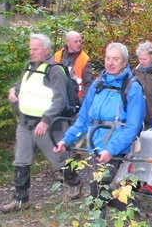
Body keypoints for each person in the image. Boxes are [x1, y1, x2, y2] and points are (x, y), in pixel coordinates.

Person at [53, 43, 145, 213]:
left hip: (117, 145)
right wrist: (67, 139)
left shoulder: (132, 88)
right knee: (97, 189)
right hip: (94, 144)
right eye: (107, 58)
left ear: (124, 62)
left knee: (97, 189)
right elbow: (83, 119)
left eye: (115, 59)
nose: (110, 63)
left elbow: (132, 127)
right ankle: (128, 212)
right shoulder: (97, 85)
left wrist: (111, 149)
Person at [0, 34, 82, 213]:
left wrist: (45, 121)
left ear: (46, 50)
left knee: (59, 161)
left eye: (35, 49)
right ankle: (20, 200)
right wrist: (13, 91)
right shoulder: (29, 67)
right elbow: (20, 85)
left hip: (47, 126)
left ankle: (75, 184)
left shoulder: (54, 71)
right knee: (20, 161)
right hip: (25, 122)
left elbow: (59, 99)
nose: (32, 52)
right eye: (30, 49)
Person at [54, 31, 93, 105]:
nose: (79, 44)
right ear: (68, 43)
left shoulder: (84, 59)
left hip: (75, 102)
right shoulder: (57, 56)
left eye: (80, 41)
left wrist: (80, 103)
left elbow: (89, 84)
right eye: (76, 42)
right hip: (57, 100)